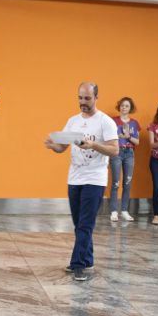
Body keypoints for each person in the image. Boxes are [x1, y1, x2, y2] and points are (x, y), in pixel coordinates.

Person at [45, 82, 118, 281]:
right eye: (80, 98)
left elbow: (114, 150)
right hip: (74, 178)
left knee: (85, 224)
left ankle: (78, 265)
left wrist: (93, 144)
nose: (83, 102)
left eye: (87, 98)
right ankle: (88, 260)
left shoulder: (105, 122)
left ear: (96, 97)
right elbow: (62, 147)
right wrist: (53, 146)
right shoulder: (73, 121)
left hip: (95, 179)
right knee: (79, 224)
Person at [108, 97, 140, 222]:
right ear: (119, 107)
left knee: (127, 182)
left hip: (129, 153)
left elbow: (137, 142)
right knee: (115, 182)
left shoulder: (134, 123)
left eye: (127, 106)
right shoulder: (113, 121)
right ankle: (114, 211)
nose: (124, 108)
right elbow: (108, 138)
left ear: (130, 108)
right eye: (122, 105)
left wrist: (128, 136)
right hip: (116, 152)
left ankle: (125, 211)